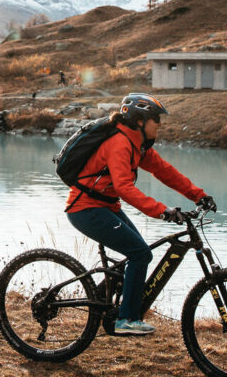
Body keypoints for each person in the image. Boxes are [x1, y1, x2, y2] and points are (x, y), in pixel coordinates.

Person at [66, 92, 213, 335]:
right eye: (157, 120)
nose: (160, 125)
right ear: (140, 121)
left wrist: (198, 195)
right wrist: (162, 211)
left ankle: (105, 303)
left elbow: (165, 171)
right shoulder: (120, 143)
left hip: (105, 207)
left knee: (138, 252)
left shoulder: (137, 145)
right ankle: (126, 319)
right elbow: (124, 187)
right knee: (140, 254)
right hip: (86, 209)